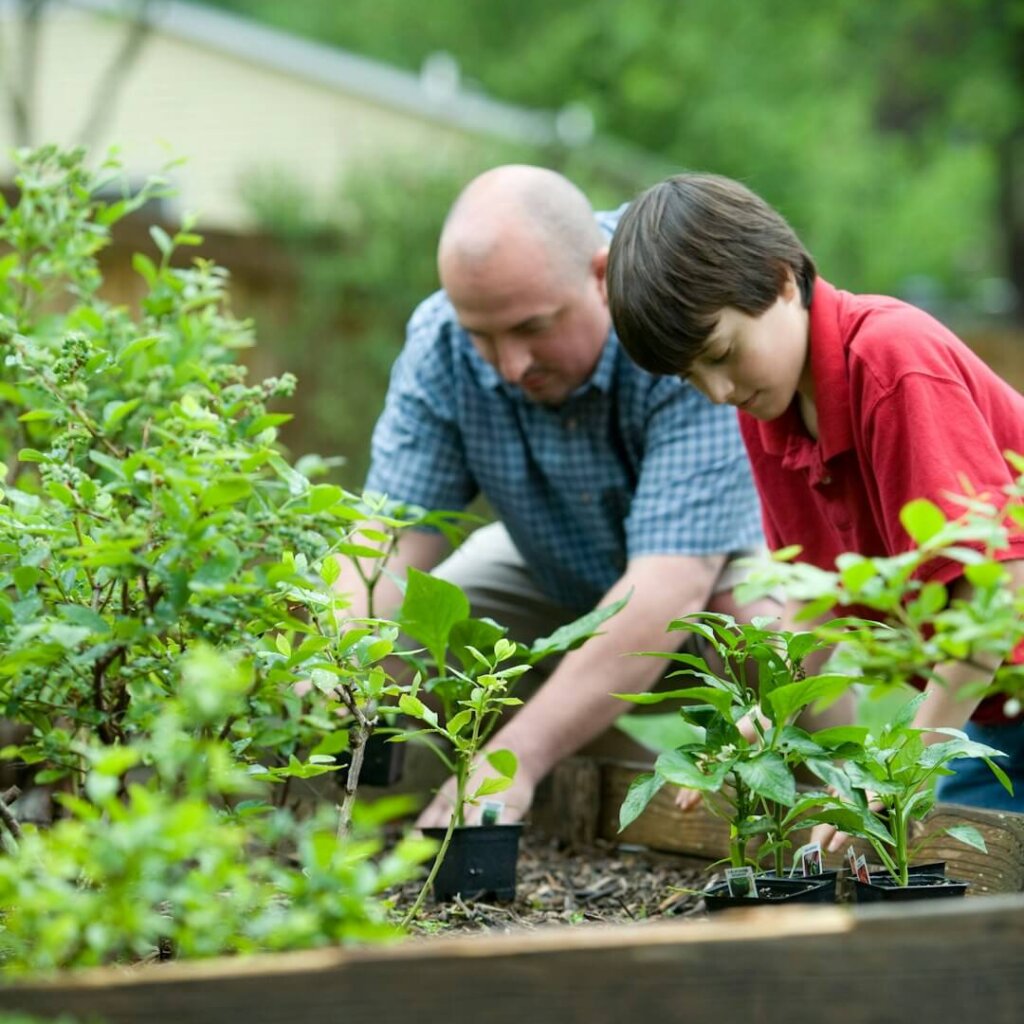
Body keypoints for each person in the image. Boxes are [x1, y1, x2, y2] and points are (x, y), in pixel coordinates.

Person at [335, 165, 769, 829]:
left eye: (532, 328)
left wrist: (515, 757)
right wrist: (332, 659)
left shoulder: (674, 308)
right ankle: (622, 799)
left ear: (600, 275)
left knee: (768, 629)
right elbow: (384, 544)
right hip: (553, 569)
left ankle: (813, 814)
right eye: (484, 336)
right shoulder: (442, 345)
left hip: (711, 571)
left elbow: (668, 588)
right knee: (420, 633)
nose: (509, 365)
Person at [604, 171, 1024, 823]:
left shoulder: (890, 363)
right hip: (996, 708)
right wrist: (753, 729)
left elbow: (996, 592)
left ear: (780, 279)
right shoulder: (766, 410)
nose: (716, 390)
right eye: (691, 377)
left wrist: (898, 773)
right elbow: (816, 597)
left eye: (721, 353)